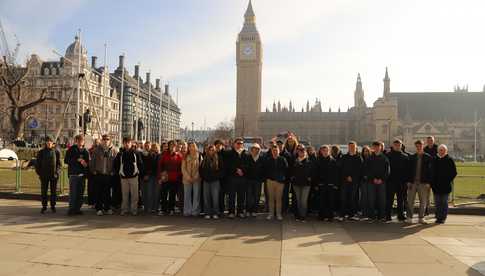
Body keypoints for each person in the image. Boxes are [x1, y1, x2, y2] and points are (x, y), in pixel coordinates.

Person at [114, 137, 144, 216]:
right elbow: (116, 164)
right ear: (123, 143)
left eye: (128, 143)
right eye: (125, 143)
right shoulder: (120, 154)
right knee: (124, 195)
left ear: (131, 144)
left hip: (134, 177)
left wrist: (138, 173)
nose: (127, 144)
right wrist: (119, 173)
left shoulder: (136, 153)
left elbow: (140, 164)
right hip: (123, 177)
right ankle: (124, 209)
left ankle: (134, 210)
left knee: (135, 195)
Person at [89, 134, 118, 216]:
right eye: (104, 139)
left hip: (109, 175)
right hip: (99, 174)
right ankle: (99, 208)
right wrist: (93, 170)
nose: (106, 141)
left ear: (110, 140)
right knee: (99, 192)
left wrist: (114, 171)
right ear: (102, 140)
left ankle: (107, 208)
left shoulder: (114, 150)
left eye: (107, 139)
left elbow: (117, 163)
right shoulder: (97, 150)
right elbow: (92, 162)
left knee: (108, 192)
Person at [406, 139, 434, 224]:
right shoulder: (412, 157)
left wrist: (429, 182)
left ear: (423, 146)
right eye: (417, 146)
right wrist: (408, 181)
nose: (419, 147)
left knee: (423, 201)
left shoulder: (428, 157)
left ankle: (421, 217)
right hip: (413, 183)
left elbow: (430, 171)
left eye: (420, 146)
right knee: (410, 201)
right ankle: (409, 217)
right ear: (416, 147)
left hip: (423, 183)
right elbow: (408, 170)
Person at [64, 134, 89, 215]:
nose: (80, 142)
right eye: (79, 140)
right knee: (73, 193)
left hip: (82, 175)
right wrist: (76, 160)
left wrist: (85, 164)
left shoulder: (85, 151)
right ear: (76, 141)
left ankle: (78, 208)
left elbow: (87, 164)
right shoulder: (71, 149)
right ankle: (71, 209)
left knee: (80, 193)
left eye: (82, 140)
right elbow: (66, 160)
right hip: (73, 174)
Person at [35, 136, 61, 214]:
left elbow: (59, 164)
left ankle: (53, 206)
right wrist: (40, 173)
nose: (49, 143)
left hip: (54, 176)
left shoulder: (56, 152)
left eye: (50, 141)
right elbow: (38, 164)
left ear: (53, 143)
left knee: (53, 192)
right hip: (44, 176)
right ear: (45, 143)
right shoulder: (41, 152)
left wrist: (57, 172)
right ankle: (44, 206)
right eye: (48, 141)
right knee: (44, 192)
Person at [432, 144, 457, 224]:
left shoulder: (450, 160)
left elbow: (454, 172)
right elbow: (431, 172)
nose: (441, 151)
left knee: (444, 202)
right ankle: (438, 217)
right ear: (438, 151)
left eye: (443, 150)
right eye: (440, 150)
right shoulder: (435, 159)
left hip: (446, 186)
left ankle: (443, 217)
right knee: (437, 203)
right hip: (436, 186)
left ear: (446, 151)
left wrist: (447, 180)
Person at [157, 140, 183, 215]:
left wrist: (179, 176)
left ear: (176, 147)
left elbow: (180, 167)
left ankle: (171, 209)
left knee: (172, 194)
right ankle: (163, 209)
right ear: (169, 146)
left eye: (174, 145)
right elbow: (160, 166)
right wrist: (160, 177)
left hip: (175, 178)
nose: (172, 147)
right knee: (164, 194)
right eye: (171, 145)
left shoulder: (179, 155)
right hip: (165, 177)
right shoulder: (164, 154)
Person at [366, 141, 390, 222]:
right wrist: (373, 179)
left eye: (378, 146)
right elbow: (367, 170)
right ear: (373, 147)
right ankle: (371, 216)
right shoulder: (369, 158)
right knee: (371, 199)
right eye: (374, 147)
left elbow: (387, 171)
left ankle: (381, 216)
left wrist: (381, 179)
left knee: (382, 199)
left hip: (381, 182)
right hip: (371, 181)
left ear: (380, 147)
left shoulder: (385, 158)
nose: (376, 148)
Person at [385, 139, 409, 221]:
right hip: (391, 181)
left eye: (399, 145)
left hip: (402, 182)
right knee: (389, 199)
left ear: (401, 146)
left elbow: (407, 170)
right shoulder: (388, 155)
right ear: (393, 146)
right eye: (396, 145)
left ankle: (400, 215)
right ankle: (388, 215)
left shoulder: (405, 156)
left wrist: (406, 181)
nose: (397, 146)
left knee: (400, 200)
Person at [264, 144, 288, 220]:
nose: (275, 152)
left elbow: (286, 170)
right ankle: (271, 214)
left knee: (279, 198)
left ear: (279, 151)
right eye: (273, 151)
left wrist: (283, 178)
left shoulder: (283, 159)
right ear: (271, 151)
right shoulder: (268, 160)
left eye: (276, 150)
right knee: (271, 198)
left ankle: (278, 214)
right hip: (270, 181)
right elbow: (265, 170)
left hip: (280, 182)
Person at [339, 141, 363, 221]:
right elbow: (341, 169)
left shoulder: (359, 158)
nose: (351, 148)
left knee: (352, 198)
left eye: (353, 147)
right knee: (343, 198)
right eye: (350, 147)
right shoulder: (344, 157)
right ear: (348, 148)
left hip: (354, 181)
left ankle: (351, 215)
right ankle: (342, 214)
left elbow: (360, 170)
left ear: (355, 147)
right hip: (344, 181)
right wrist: (347, 176)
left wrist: (352, 177)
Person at [225, 138, 248, 218]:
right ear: (234, 144)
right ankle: (231, 212)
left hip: (242, 178)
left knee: (241, 196)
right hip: (232, 178)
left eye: (241, 143)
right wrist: (236, 170)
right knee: (232, 196)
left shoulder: (245, 154)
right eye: (238, 143)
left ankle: (240, 212)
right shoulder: (229, 153)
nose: (239, 145)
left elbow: (247, 165)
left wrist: (242, 170)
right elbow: (228, 165)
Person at [199, 144, 224, 219]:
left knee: (215, 198)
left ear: (215, 150)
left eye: (213, 150)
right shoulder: (204, 158)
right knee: (206, 198)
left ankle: (215, 213)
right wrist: (204, 177)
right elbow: (201, 170)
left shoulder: (219, 158)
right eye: (210, 150)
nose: (211, 151)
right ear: (207, 151)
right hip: (206, 181)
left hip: (215, 181)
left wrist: (215, 177)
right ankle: (207, 213)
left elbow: (222, 171)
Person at [314, 145, 338, 221]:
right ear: (321, 151)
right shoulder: (318, 161)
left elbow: (336, 174)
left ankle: (330, 216)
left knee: (330, 201)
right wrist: (316, 184)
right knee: (321, 201)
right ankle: (321, 216)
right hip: (321, 184)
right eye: (323, 150)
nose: (325, 152)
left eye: (326, 150)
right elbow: (316, 173)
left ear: (329, 151)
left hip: (331, 184)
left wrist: (335, 184)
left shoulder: (333, 161)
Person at [290, 145, 313, 221]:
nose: (301, 152)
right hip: (296, 184)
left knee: (303, 201)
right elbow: (291, 171)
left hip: (306, 184)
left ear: (305, 152)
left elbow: (312, 172)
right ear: (298, 152)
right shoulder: (295, 161)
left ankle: (303, 215)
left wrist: (310, 178)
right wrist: (292, 177)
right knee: (298, 200)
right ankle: (298, 215)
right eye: (299, 151)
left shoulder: (308, 161)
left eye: (302, 151)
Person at [181, 142, 202, 216]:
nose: (191, 147)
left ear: (195, 147)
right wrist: (188, 177)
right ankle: (187, 211)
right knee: (187, 195)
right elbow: (183, 168)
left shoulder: (199, 156)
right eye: (190, 146)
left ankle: (195, 211)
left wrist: (196, 177)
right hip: (187, 179)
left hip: (197, 178)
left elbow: (200, 168)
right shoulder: (185, 156)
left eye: (193, 146)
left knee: (196, 195)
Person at [245, 143, 265, 217]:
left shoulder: (262, 159)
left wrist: (262, 179)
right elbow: (245, 169)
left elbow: (264, 170)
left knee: (257, 196)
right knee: (249, 196)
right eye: (254, 149)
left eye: (257, 149)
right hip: (249, 180)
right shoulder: (248, 158)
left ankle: (254, 210)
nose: (256, 150)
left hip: (258, 181)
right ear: (252, 150)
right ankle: (248, 210)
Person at [141, 143, 160, 214]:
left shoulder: (159, 155)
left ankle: (155, 208)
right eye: (153, 147)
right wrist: (147, 174)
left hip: (158, 176)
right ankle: (149, 208)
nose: (154, 148)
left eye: (156, 147)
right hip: (151, 176)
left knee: (156, 193)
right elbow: (148, 166)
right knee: (150, 193)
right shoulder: (149, 155)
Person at [360, 146, 372, 220]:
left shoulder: (371, 159)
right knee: (364, 197)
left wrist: (369, 176)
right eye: (365, 151)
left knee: (370, 197)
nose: (366, 152)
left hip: (370, 180)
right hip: (363, 180)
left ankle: (370, 213)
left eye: (367, 151)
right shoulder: (361, 159)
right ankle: (364, 212)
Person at [87, 138, 100, 208]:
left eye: (97, 142)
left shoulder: (100, 150)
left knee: (97, 188)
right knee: (91, 188)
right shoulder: (90, 150)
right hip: (91, 172)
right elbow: (89, 161)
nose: (96, 143)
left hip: (98, 171)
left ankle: (96, 202)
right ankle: (92, 203)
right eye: (95, 142)